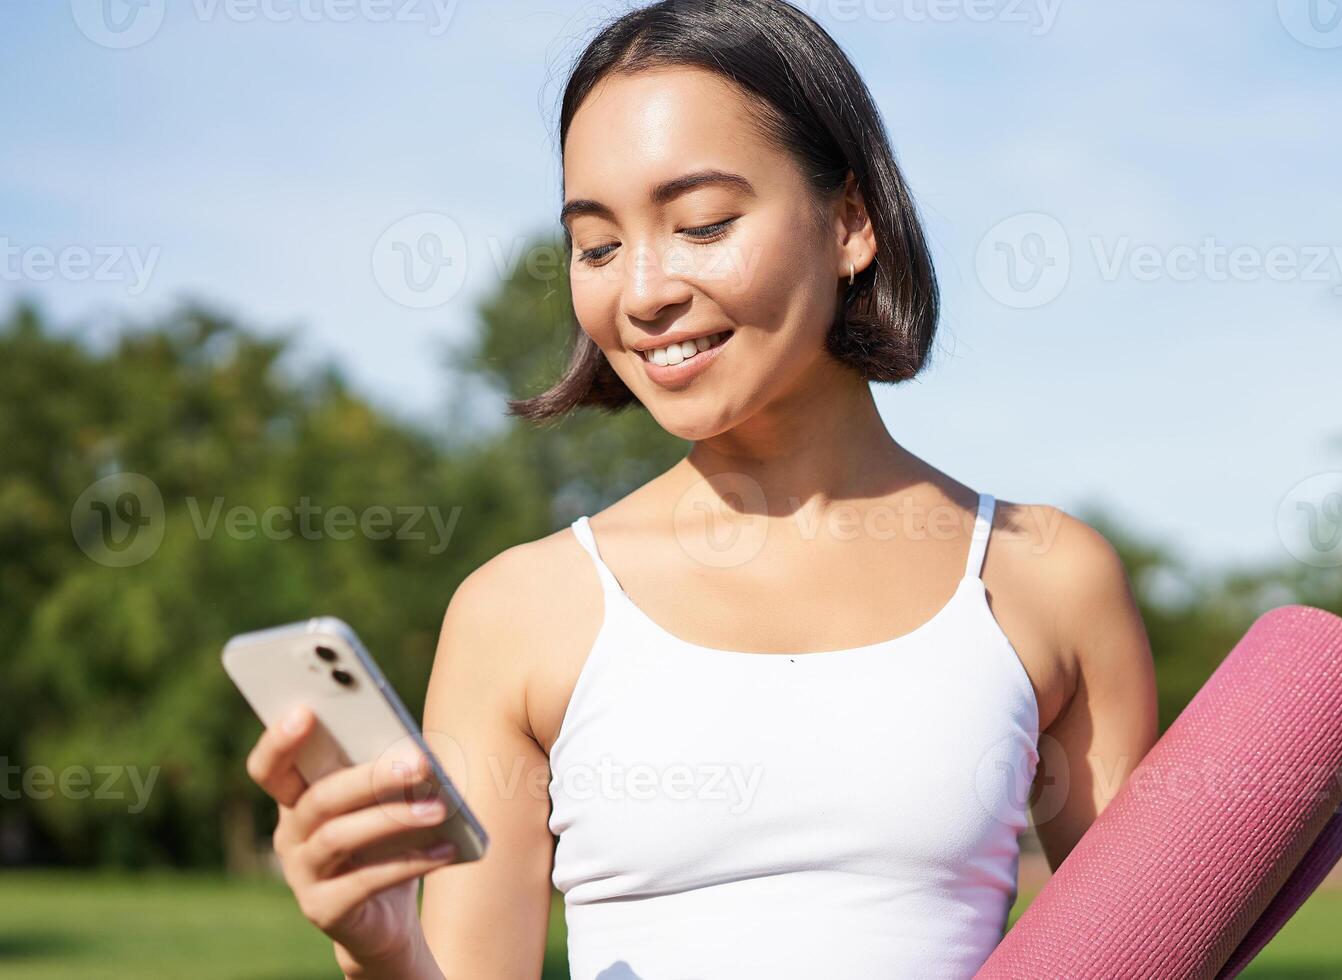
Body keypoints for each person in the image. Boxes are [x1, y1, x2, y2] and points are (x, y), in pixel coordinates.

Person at [243, 2, 1157, 976]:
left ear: (850, 221)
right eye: (597, 245)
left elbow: (1145, 949)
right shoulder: (518, 610)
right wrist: (381, 947)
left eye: (702, 223)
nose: (641, 292)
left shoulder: (1047, 578)